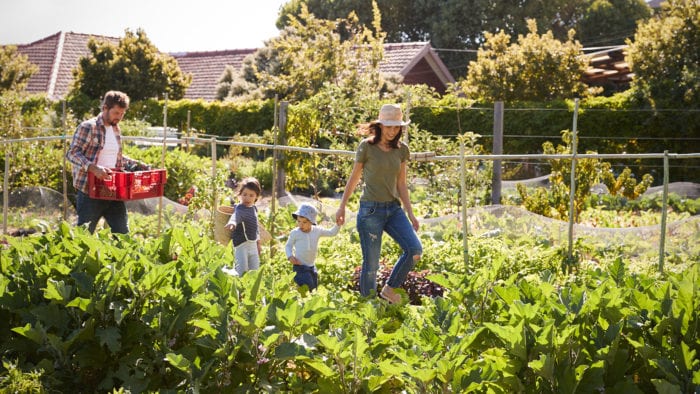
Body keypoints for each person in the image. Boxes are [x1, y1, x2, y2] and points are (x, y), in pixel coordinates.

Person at [335, 104, 422, 304]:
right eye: (389, 126)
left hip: (393, 210)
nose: (392, 131)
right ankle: (369, 308)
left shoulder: (402, 150)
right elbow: (354, 178)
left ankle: (390, 289)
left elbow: (401, 183)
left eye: (396, 127)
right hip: (370, 211)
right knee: (371, 264)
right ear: (380, 125)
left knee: (414, 250)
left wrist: (410, 213)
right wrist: (342, 206)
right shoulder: (367, 146)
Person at [66, 90, 149, 234]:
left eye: (122, 114)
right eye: (116, 113)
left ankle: (121, 257)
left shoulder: (116, 129)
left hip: (114, 190)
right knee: (84, 236)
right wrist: (93, 168)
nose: (119, 117)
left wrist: (137, 164)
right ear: (105, 108)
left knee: (122, 234)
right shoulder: (88, 127)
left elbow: (115, 157)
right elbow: (72, 153)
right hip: (90, 191)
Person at [285, 203, 340, 291]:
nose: (301, 225)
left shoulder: (317, 231)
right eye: (299, 221)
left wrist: (338, 225)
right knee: (308, 288)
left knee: (314, 288)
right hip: (300, 266)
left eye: (304, 222)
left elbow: (331, 233)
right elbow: (288, 246)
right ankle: (303, 300)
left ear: (311, 222)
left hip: (311, 266)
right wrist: (290, 256)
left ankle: (305, 302)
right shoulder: (295, 233)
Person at [224, 177, 263, 275]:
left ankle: (251, 288)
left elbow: (256, 228)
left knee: (255, 269)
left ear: (256, 197)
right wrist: (232, 222)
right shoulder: (239, 208)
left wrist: (258, 243)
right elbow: (236, 216)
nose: (247, 198)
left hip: (253, 244)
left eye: (251, 195)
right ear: (240, 194)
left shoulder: (254, 209)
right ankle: (235, 282)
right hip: (242, 244)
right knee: (242, 270)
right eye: (244, 194)